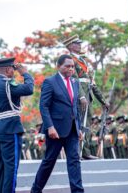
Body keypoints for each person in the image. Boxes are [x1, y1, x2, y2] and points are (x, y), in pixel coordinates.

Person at [31, 54, 86, 193]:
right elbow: (44, 106)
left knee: (74, 161)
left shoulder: (75, 82)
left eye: (72, 66)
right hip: (55, 130)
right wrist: (49, 127)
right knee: (49, 162)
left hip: (72, 129)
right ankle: (35, 190)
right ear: (58, 66)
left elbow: (75, 107)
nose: (71, 69)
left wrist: (78, 127)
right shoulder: (50, 82)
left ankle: (77, 191)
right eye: (67, 66)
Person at [0, 57, 34, 193]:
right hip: (10, 131)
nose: (14, 71)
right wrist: (25, 73)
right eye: (13, 69)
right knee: (11, 168)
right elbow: (29, 88)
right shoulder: (8, 85)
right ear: (7, 69)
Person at [63, 35, 108, 160]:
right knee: (79, 124)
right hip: (79, 97)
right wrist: (81, 96)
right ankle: (77, 152)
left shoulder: (82, 61)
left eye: (79, 43)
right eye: (76, 44)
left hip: (88, 96)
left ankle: (85, 151)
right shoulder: (70, 60)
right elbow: (75, 80)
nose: (79, 45)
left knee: (86, 124)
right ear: (70, 46)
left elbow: (92, 83)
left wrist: (103, 101)